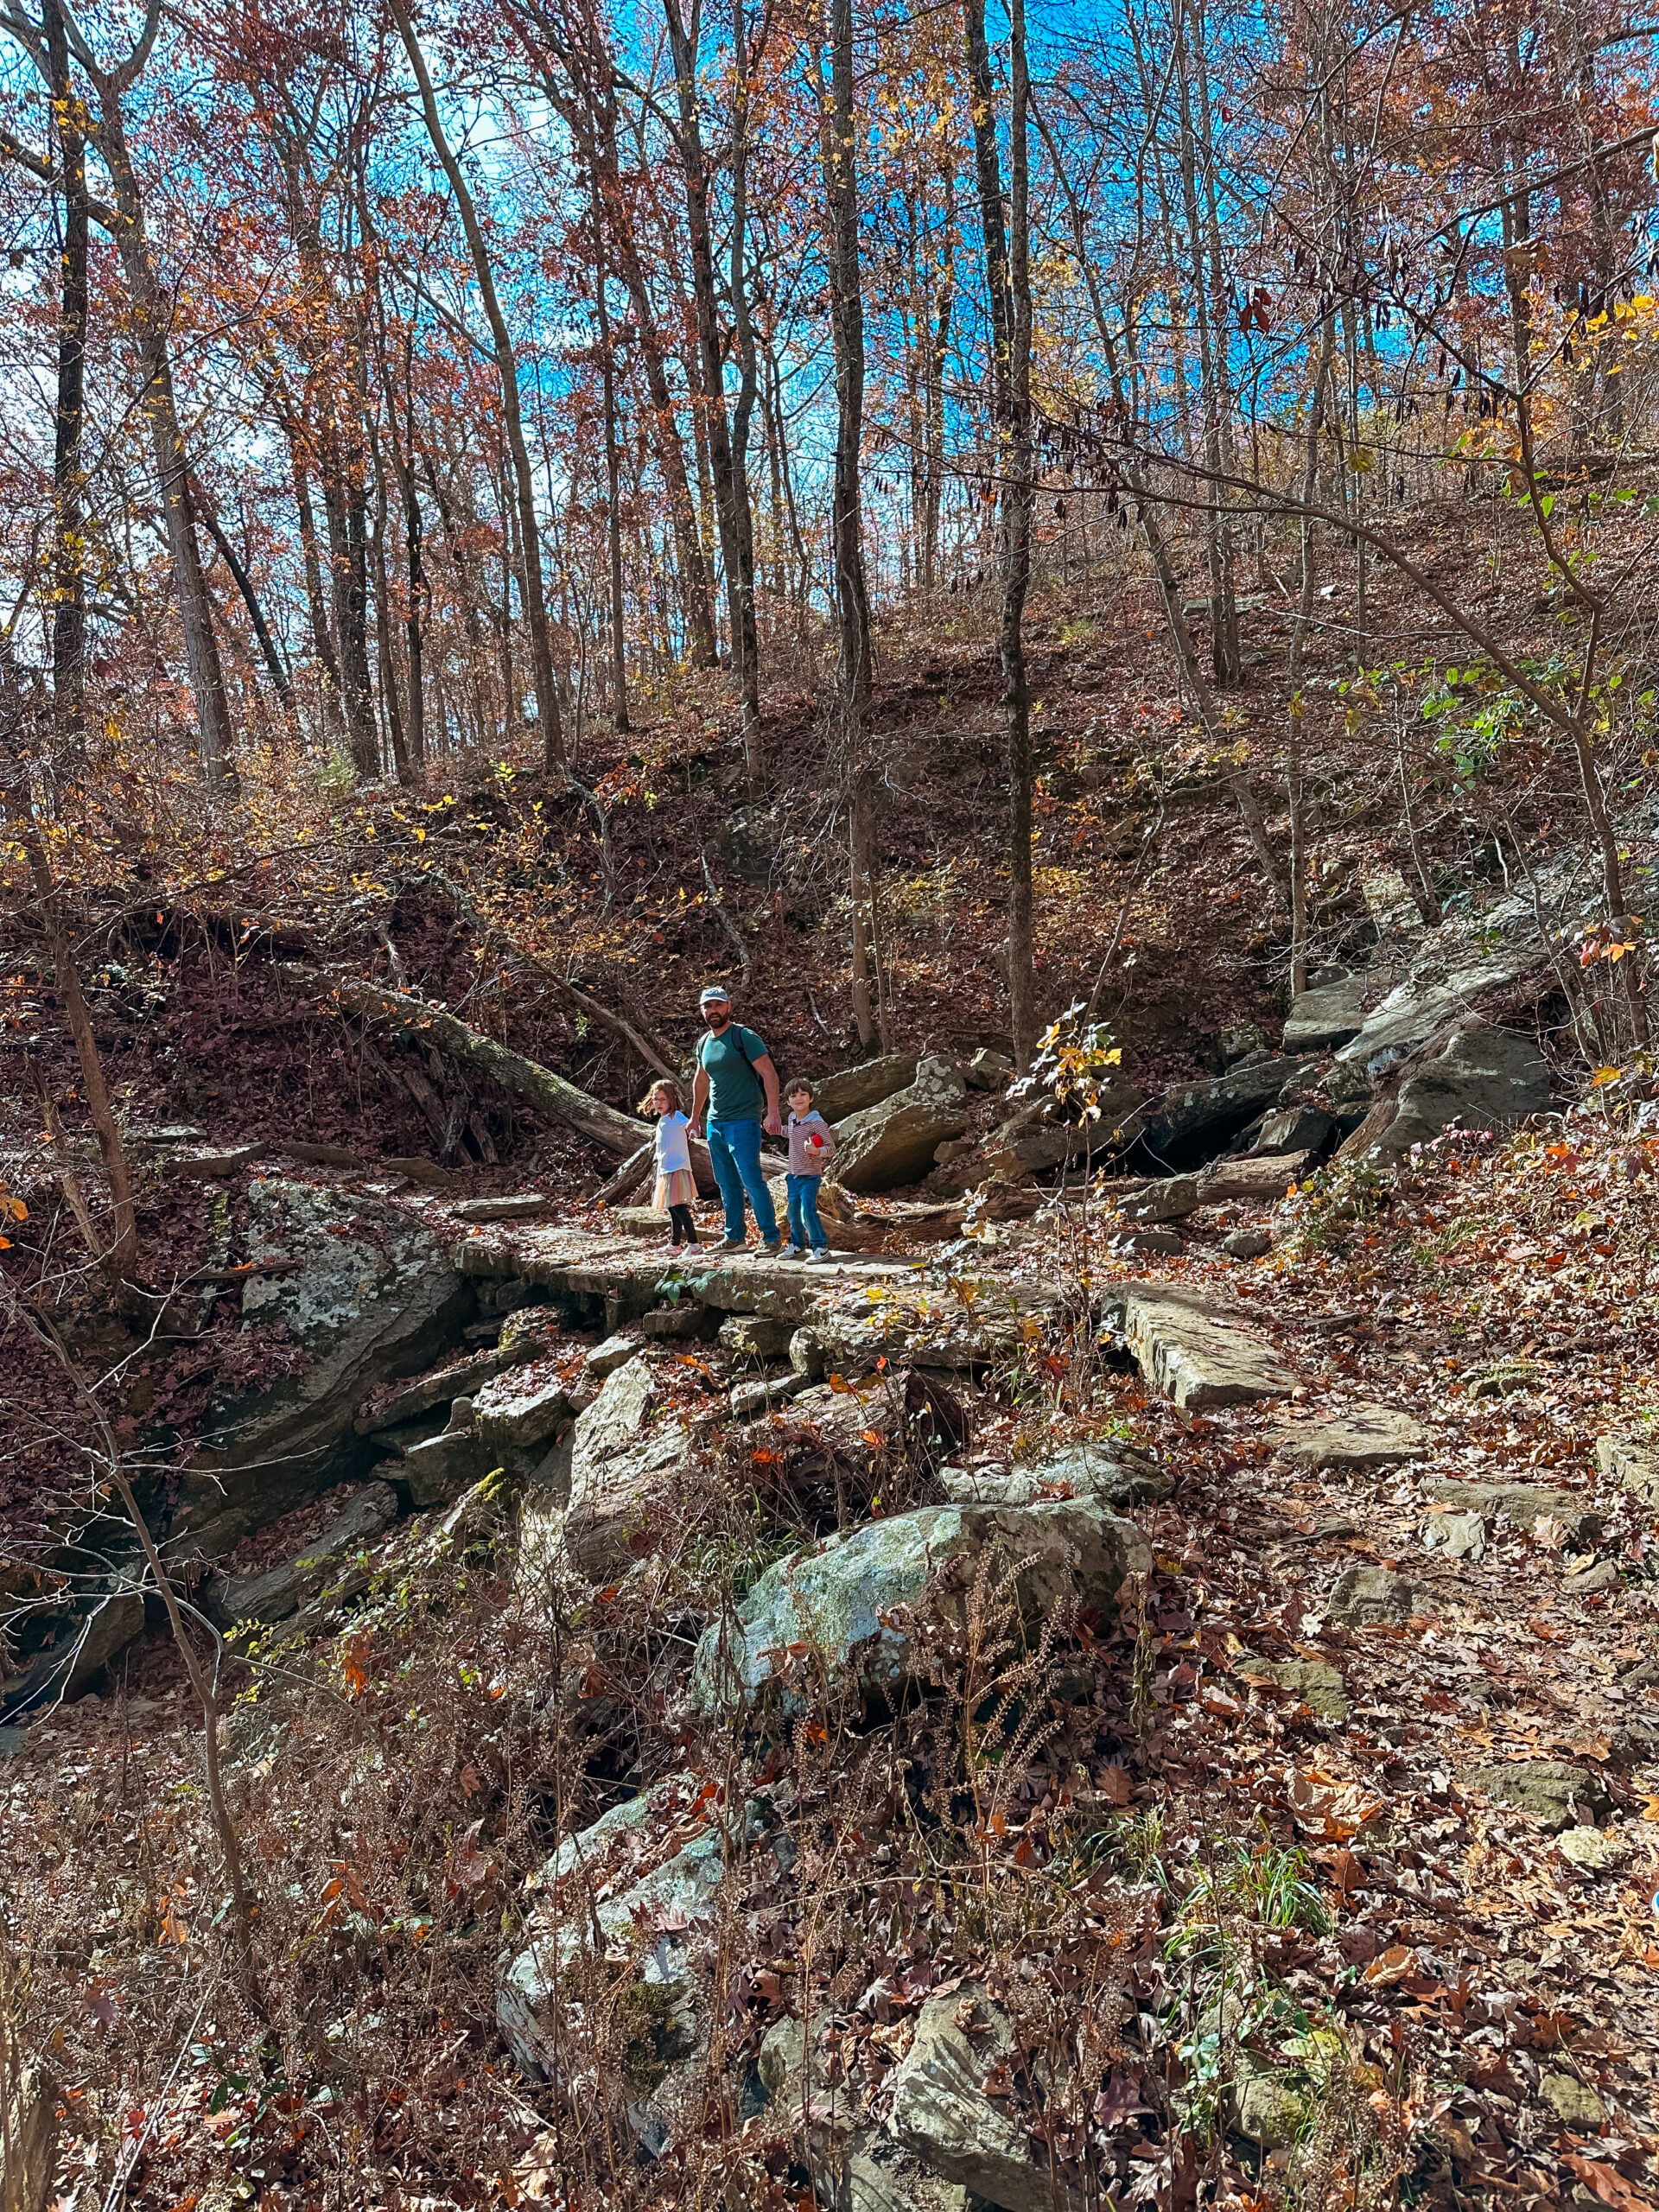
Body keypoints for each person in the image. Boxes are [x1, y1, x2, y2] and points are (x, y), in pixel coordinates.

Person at [688, 984, 783, 1254]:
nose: (712, 1010)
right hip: (715, 1123)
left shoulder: (744, 1037)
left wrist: (773, 1112)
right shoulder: (704, 1043)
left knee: (751, 1180)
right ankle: (734, 1238)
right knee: (726, 1182)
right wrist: (695, 1118)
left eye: (718, 1005)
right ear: (702, 1011)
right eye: (707, 1006)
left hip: (743, 1120)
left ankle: (772, 1239)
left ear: (728, 1007)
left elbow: (770, 1075)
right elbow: (701, 1080)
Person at [640, 1077, 699, 1251]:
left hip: (677, 1168)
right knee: (672, 1208)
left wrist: (694, 1130)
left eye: (663, 1099)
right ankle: (675, 1243)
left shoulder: (676, 1117)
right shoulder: (663, 1120)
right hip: (666, 1169)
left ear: (671, 1100)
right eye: (656, 1098)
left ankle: (694, 1243)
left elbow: (689, 1125)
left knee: (679, 1207)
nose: (659, 1103)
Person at [784, 1078, 836, 1262]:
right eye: (793, 1095)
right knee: (793, 1213)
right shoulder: (791, 1119)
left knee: (808, 1212)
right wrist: (776, 1130)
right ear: (788, 1102)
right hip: (793, 1175)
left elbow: (831, 1148)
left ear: (811, 1098)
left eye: (803, 1094)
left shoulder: (816, 1123)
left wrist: (816, 1151)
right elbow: (791, 1133)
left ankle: (820, 1247)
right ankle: (798, 1245)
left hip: (810, 1176)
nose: (799, 1098)